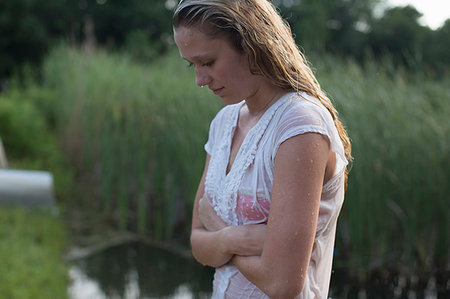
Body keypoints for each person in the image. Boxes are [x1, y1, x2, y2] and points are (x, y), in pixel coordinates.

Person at [173, 0, 352, 298]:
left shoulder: (299, 124)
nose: (199, 80)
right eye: (192, 65)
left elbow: (283, 283)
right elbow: (197, 243)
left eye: (208, 62)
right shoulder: (224, 122)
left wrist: (217, 229)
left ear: (251, 45)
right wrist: (241, 239)